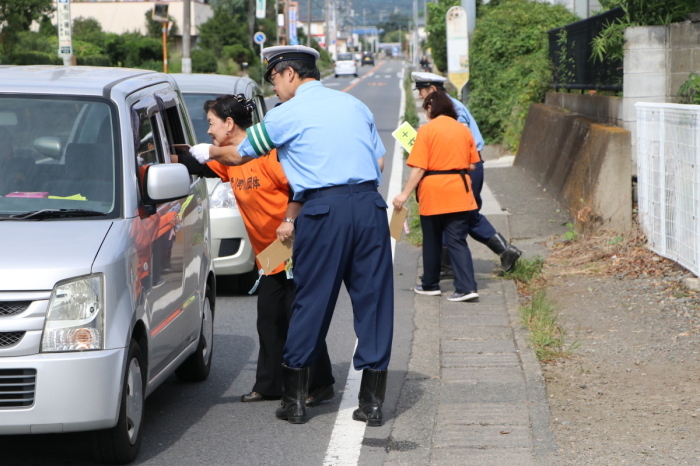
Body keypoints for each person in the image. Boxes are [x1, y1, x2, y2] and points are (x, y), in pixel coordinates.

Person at [188, 45, 393, 426]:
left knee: (311, 299)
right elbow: (379, 160)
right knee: (375, 302)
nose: (275, 90)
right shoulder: (356, 107)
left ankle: (295, 401)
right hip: (369, 206)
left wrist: (206, 151)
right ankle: (373, 404)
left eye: (274, 80)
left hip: (323, 209)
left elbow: (240, 154)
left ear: (290, 74)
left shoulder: (288, 114)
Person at [176, 94, 336, 408]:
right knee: (270, 318)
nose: (208, 131)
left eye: (211, 124)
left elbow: (301, 189)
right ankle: (271, 385)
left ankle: (320, 383)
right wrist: (167, 154)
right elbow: (203, 164)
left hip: (295, 243)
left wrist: (289, 221)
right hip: (270, 252)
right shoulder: (232, 159)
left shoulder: (268, 154)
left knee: (299, 316)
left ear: (230, 124)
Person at [411, 72, 522, 273]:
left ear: (433, 90)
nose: (420, 96)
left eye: (422, 90)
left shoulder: (452, 109)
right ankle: (448, 264)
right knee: (454, 213)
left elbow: (458, 143)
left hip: (463, 168)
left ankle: (503, 251)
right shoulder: (445, 108)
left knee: (463, 214)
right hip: (461, 168)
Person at [393, 91, 481, 302]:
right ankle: (467, 287)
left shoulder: (427, 131)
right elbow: (471, 165)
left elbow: (419, 168)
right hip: (460, 190)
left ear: (431, 107)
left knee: (431, 240)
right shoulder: (463, 130)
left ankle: (430, 284)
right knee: (457, 240)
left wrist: (404, 194)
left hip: (434, 192)